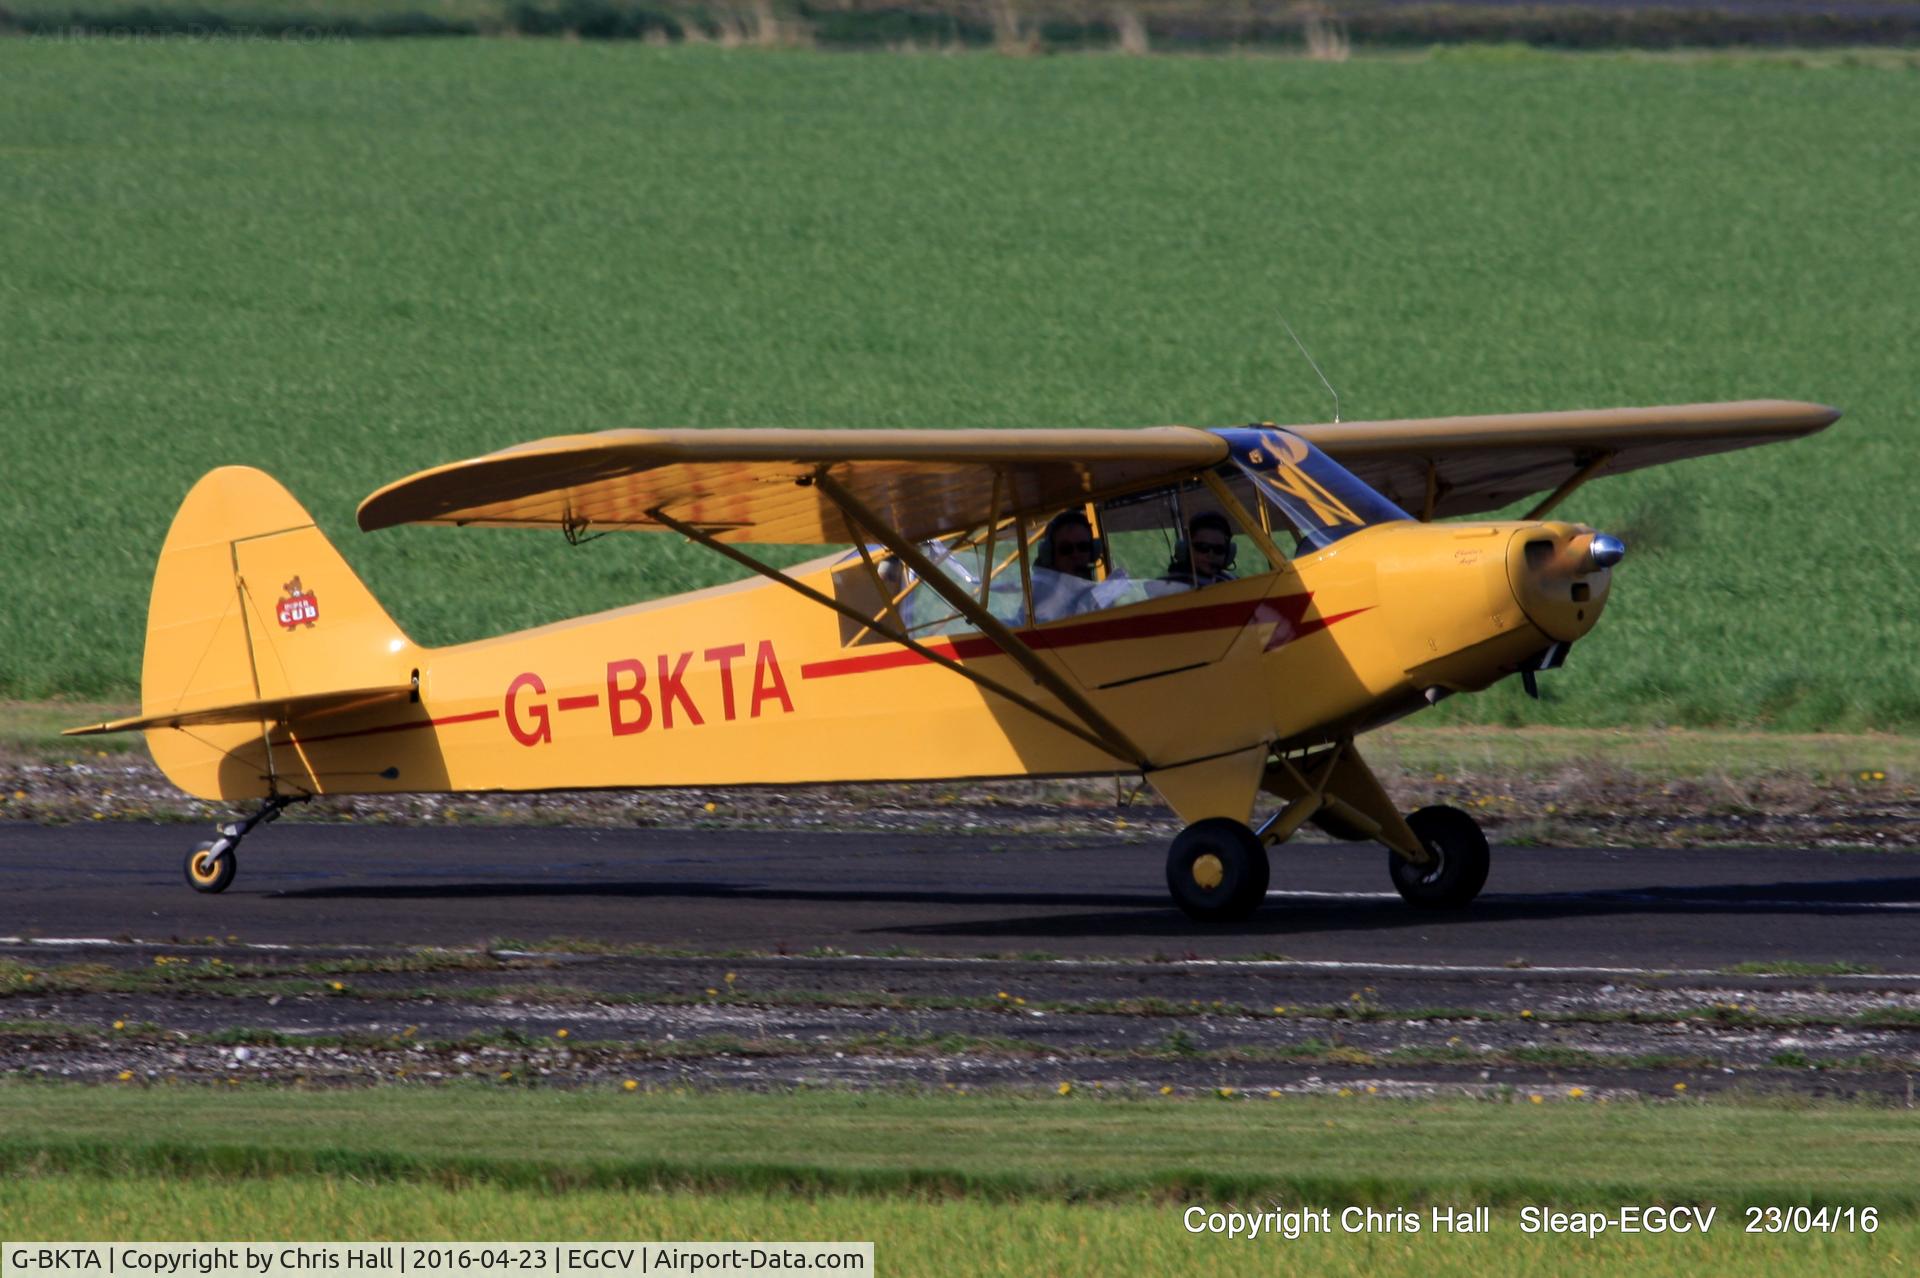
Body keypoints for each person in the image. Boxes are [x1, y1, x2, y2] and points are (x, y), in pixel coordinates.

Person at [1031, 510, 1098, 622]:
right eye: (1066, 549)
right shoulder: (1039, 593)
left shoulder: (1095, 591)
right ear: (1050, 553)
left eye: (1083, 547)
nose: (1076, 555)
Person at [1163, 511, 1238, 588]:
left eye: (1219, 549)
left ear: (1228, 552)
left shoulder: (1233, 583)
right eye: (1202, 547)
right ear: (1187, 548)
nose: (1210, 555)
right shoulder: (1167, 587)